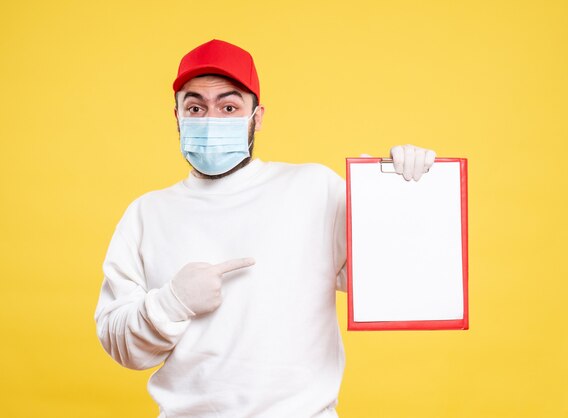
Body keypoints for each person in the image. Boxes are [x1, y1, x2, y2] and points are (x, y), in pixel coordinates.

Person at [95, 39, 436, 418]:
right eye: (195, 107)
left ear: (256, 117)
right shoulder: (147, 214)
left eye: (229, 107)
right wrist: (172, 302)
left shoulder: (314, 189)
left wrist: (402, 192)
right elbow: (121, 345)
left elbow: (395, 279)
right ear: (176, 117)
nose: (211, 121)